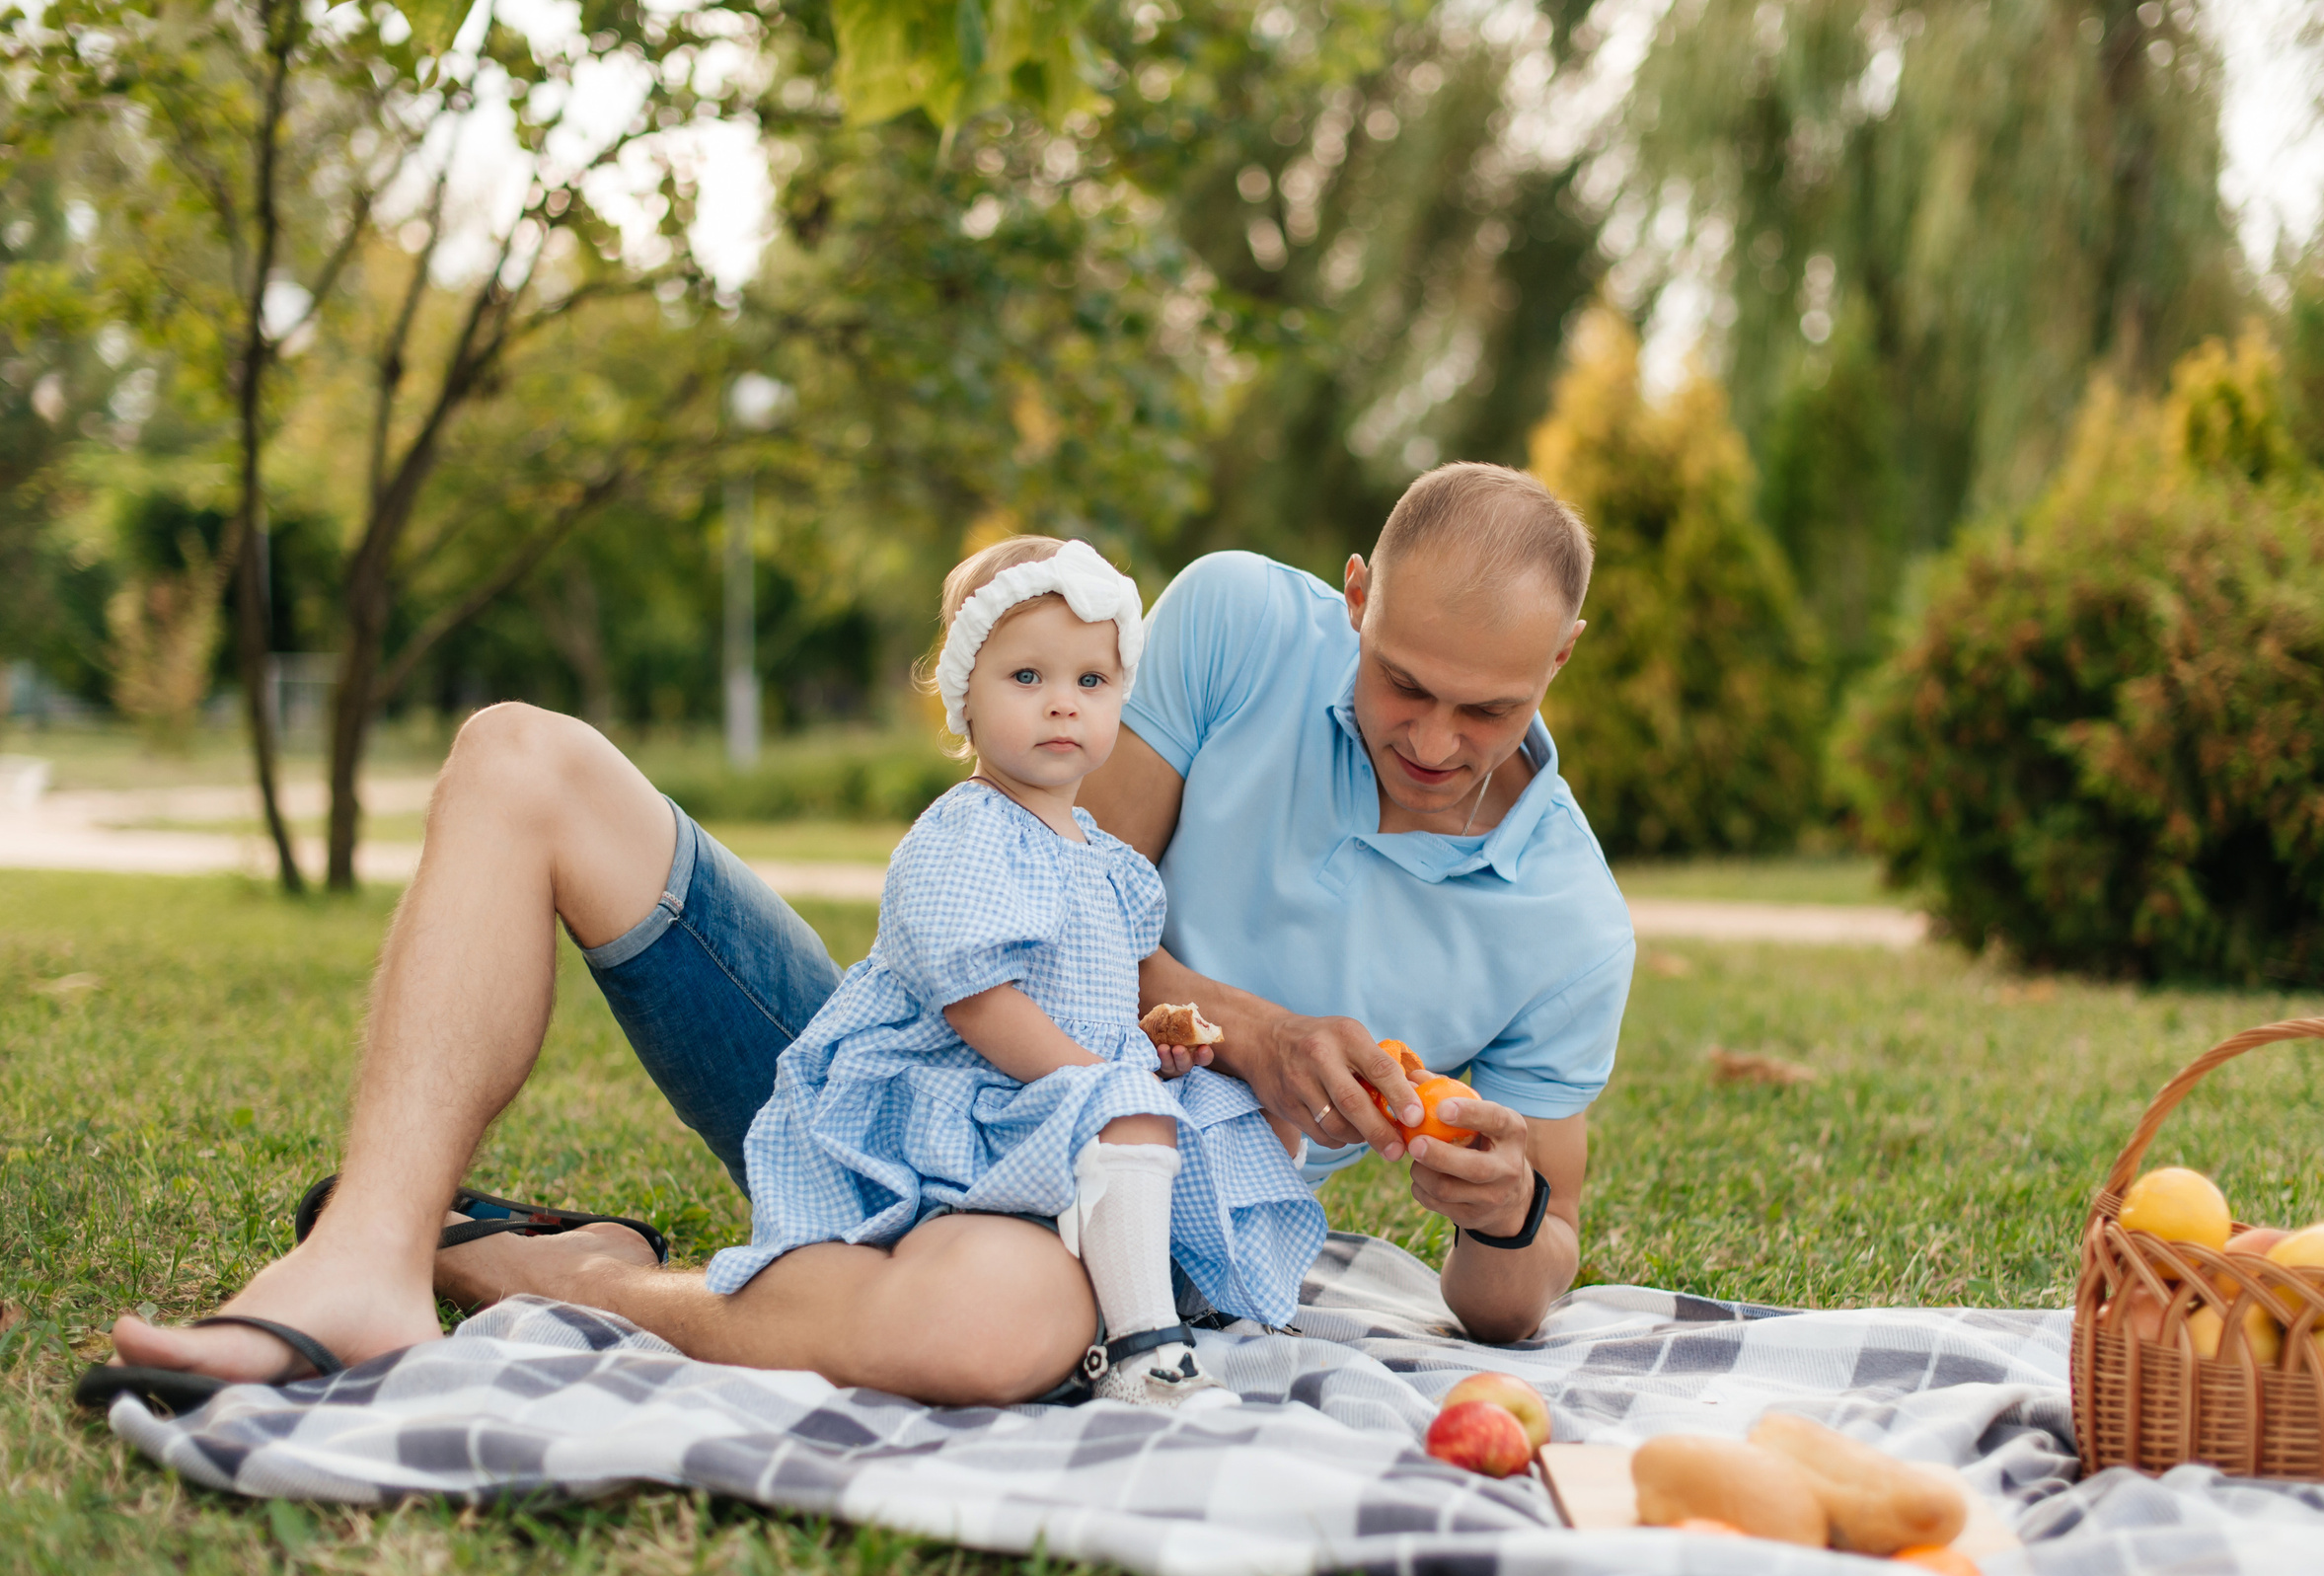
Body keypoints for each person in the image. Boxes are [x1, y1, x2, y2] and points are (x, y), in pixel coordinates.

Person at [106, 461, 1632, 1403]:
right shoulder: (1237, 621)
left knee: (991, 1327)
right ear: (1355, 597)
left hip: (1097, 1216)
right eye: (1401, 681)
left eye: (1487, 707)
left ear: (1563, 657)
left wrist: (1504, 1215)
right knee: (521, 755)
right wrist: (1260, 1033)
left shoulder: (1569, 927)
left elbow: (1515, 1294)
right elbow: (1069, 906)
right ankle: (367, 1260)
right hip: (902, 1083)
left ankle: (565, 1279)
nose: (1432, 738)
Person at [718, 536, 1323, 1404]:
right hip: (961, 1089)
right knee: (1129, 1114)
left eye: (1091, 681)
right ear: (964, 694)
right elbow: (975, 1001)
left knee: (1242, 1109)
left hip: (1048, 1086)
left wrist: (1148, 1055)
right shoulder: (967, 830)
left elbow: (1094, 997)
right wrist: (1101, 1080)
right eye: (1027, 677)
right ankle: (1145, 1353)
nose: (1062, 704)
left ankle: (1183, 1284)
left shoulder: (1106, 860)